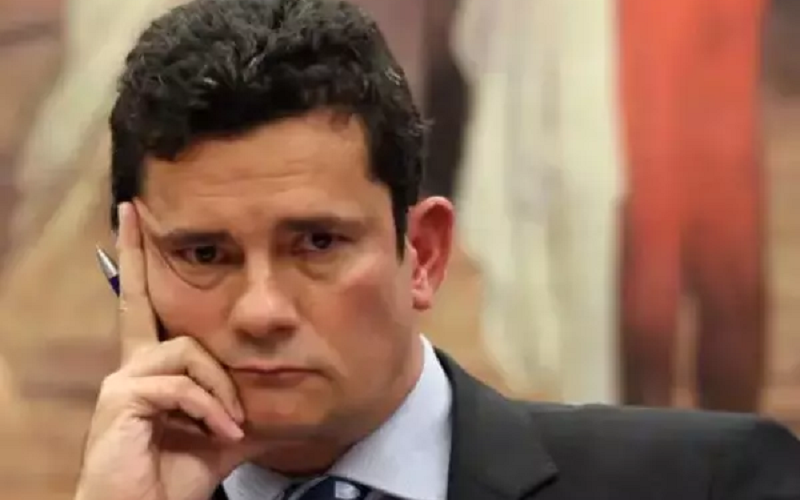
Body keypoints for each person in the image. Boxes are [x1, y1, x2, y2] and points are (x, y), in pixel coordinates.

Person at [75, 1, 800, 500]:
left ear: (422, 254)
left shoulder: (707, 483)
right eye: (205, 255)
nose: (262, 311)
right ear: (134, 270)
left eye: (318, 243)